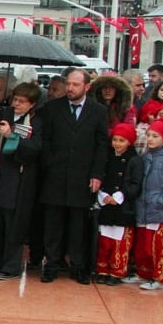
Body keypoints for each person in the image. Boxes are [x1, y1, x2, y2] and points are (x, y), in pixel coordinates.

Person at [39, 68, 110, 284]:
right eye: (68, 83)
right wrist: (49, 163)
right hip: (55, 175)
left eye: (76, 85)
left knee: (78, 224)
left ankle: (78, 266)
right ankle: (52, 264)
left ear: (87, 87)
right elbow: (46, 140)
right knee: (53, 223)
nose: (70, 88)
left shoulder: (98, 111)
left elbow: (101, 145)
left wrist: (97, 174)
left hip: (83, 176)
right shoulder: (52, 108)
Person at [0, 83, 44, 280]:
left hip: (15, 177)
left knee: (12, 223)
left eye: (22, 101)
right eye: (15, 99)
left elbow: (34, 149)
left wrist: (11, 135)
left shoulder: (35, 122)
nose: (17, 104)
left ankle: (10, 265)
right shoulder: (2, 113)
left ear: (32, 104)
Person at [123, 119, 163, 291]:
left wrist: (162, 201)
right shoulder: (145, 157)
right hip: (143, 208)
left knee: (160, 246)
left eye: (155, 136)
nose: (150, 139)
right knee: (144, 246)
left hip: (161, 211)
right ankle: (144, 273)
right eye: (148, 135)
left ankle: (160, 277)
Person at [94, 123, 142, 286]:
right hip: (106, 203)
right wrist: (103, 195)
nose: (117, 143)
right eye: (115, 139)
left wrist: (119, 196)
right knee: (105, 242)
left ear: (129, 142)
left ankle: (117, 271)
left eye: (122, 140)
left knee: (120, 243)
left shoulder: (134, 160)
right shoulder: (107, 156)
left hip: (123, 207)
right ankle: (102, 269)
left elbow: (136, 183)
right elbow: (102, 176)